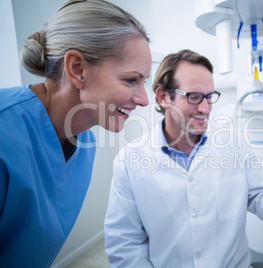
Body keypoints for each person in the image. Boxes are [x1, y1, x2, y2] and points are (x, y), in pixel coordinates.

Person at [104, 49, 263, 267]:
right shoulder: (130, 160)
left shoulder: (233, 144)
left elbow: (258, 196)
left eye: (210, 96)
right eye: (195, 97)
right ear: (164, 97)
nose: (206, 108)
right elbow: (124, 243)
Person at [0, 0, 151, 267]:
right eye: (131, 80)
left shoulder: (85, 142)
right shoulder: (5, 132)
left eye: (143, 82)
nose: (143, 100)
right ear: (77, 69)